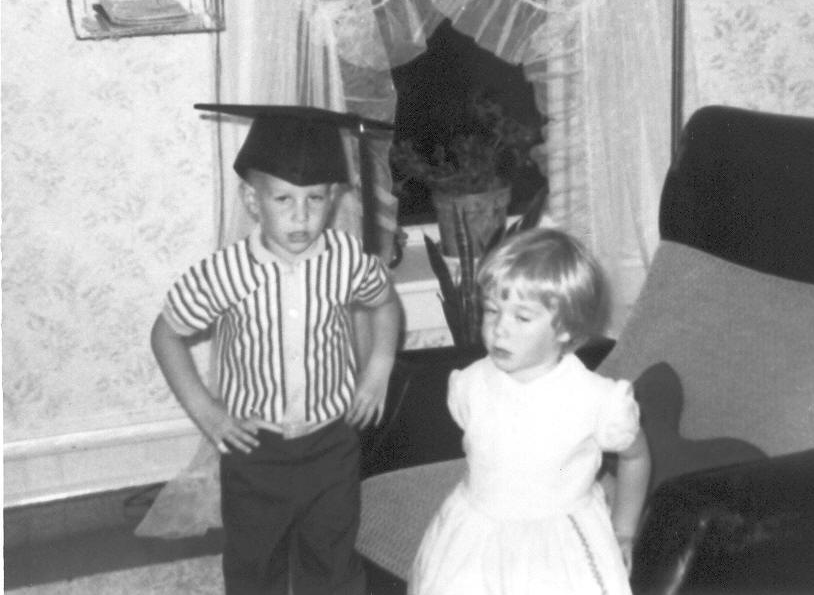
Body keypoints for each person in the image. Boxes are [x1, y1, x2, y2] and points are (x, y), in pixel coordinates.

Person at [151, 105, 402, 595]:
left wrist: (379, 368)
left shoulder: (347, 260)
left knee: (332, 556)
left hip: (331, 443)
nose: (301, 215)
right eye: (283, 198)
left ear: (333, 197)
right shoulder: (224, 272)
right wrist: (207, 412)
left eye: (315, 198)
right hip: (255, 450)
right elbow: (166, 335)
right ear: (252, 199)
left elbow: (384, 303)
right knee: (254, 561)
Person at [410, 228, 650, 595]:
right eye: (492, 310)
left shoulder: (597, 399)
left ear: (566, 328)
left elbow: (636, 457)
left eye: (522, 318)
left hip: (559, 545)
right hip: (477, 532)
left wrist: (624, 529)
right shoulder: (470, 384)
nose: (499, 330)